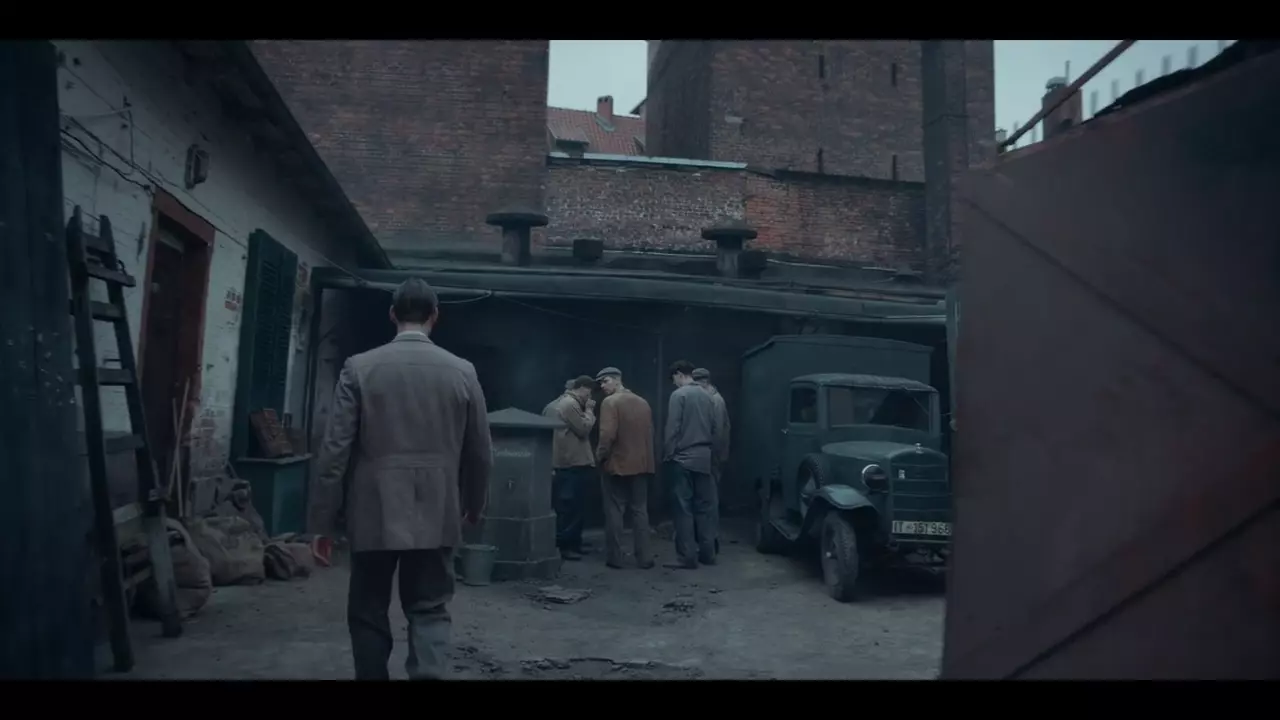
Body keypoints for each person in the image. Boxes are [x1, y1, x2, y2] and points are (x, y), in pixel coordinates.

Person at [316, 277, 492, 681]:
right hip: (438, 510)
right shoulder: (462, 371)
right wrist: (474, 503)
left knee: (367, 609)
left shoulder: (359, 367)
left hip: (373, 511)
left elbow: (334, 450)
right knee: (430, 608)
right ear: (435, 316)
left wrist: (321, 523)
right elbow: (480, 450)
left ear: (392, 314)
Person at [662, 360, 721, 569]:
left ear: (679, 374)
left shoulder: (679, 395)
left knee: (683, 508)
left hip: (683, 458)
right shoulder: (708, 396)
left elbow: (672, 428)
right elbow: (716, 429)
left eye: (673, 379)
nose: (674, 383)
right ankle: (708, 554)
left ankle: (686, 557)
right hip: (705, 458)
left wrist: (668, 453)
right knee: (704, 508)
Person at [594, 367, 655, 570]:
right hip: (642, 465)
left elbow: (607, 435)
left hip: (617, 464)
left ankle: (616, 558)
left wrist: (599, 457)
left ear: (617, 380)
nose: (602, 386)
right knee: (640, 510)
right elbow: (650, 434)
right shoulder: (643, 402)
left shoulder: (610, 402)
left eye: (605, 381)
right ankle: (645, 558)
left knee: (614, 511)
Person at [544, 375, 597, 561]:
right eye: (589, 392)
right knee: (572, 507)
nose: (590, 397)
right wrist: (589, 411)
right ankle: (567, 546)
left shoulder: (553, 405)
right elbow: (584, 429)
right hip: (573, 463)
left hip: (561, 462)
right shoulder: (570, 404)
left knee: (566, 506)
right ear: (582, 388)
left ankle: (572, 543)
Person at [692, 367, 729, 555]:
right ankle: (707, 539)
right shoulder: (711, 398)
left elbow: (718, 434)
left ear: (704, 383)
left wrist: (711, 457)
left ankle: (711, 540)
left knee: (709, 501)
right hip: (710, 456)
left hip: (712, 458)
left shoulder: (715, 401)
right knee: (706, 500)